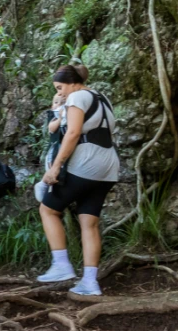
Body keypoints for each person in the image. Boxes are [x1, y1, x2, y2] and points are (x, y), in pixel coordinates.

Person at [37, 64, 119, 295]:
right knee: (89, 222)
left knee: (49, 210)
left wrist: (56, 167)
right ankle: (90, 282)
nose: (60, 93)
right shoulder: (102, 97)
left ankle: (61, 265)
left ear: (73, 83)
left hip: (85, 163)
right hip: (108, 167)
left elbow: (73, 133)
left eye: (60, 87)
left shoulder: (77, 98)